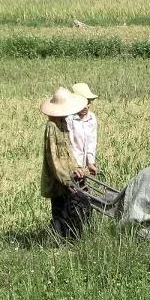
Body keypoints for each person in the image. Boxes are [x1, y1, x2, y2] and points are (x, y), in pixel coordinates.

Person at [41, 87, 90, 239]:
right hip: (57, 180)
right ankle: (58, 240)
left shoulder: (63, 124)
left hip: (68, 177)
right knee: (60, 211)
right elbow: (53, 159)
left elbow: (69, 153)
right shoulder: (52, 127)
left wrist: (77, 169)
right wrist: (66, 180)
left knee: (70, 210)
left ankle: (70, 238)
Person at [67, 82, 99, 177]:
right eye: (83, 103)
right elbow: (68, 145)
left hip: (83, 167)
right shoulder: (69, 118)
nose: (86, 106)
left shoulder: (91, 118)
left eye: (88, 102)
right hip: (71, 167)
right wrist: (74, 166)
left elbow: (92, 142)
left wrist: (90, 162)